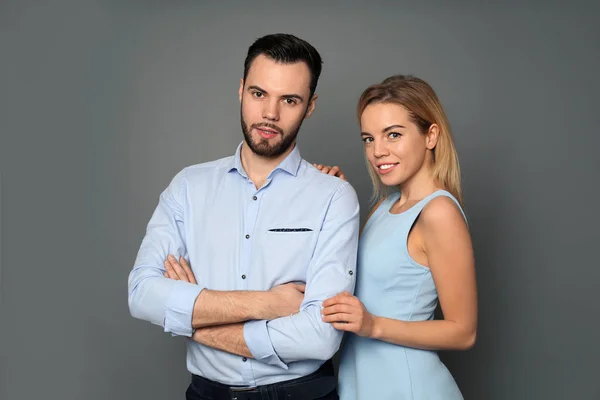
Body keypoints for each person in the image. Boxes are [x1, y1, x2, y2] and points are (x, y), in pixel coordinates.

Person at [127, 33, 360, 400]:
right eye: (258, 93)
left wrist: (196, 324)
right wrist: (267, 304)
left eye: (290, 99)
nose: (270, 113)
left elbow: (320, 336)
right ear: (241, 90)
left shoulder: (333, 197)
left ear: (310, 106)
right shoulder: (189, 187)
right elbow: (142, 294)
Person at [318, 75, 477, 399]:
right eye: (368, 139)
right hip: (362, 385)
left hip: (408, 388)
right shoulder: (385, 206)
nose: (378, 151)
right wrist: (327, 199)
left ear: (430, 135)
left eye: (393, 135)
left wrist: (373, 325)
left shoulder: (438, 212)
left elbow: (464, 332)